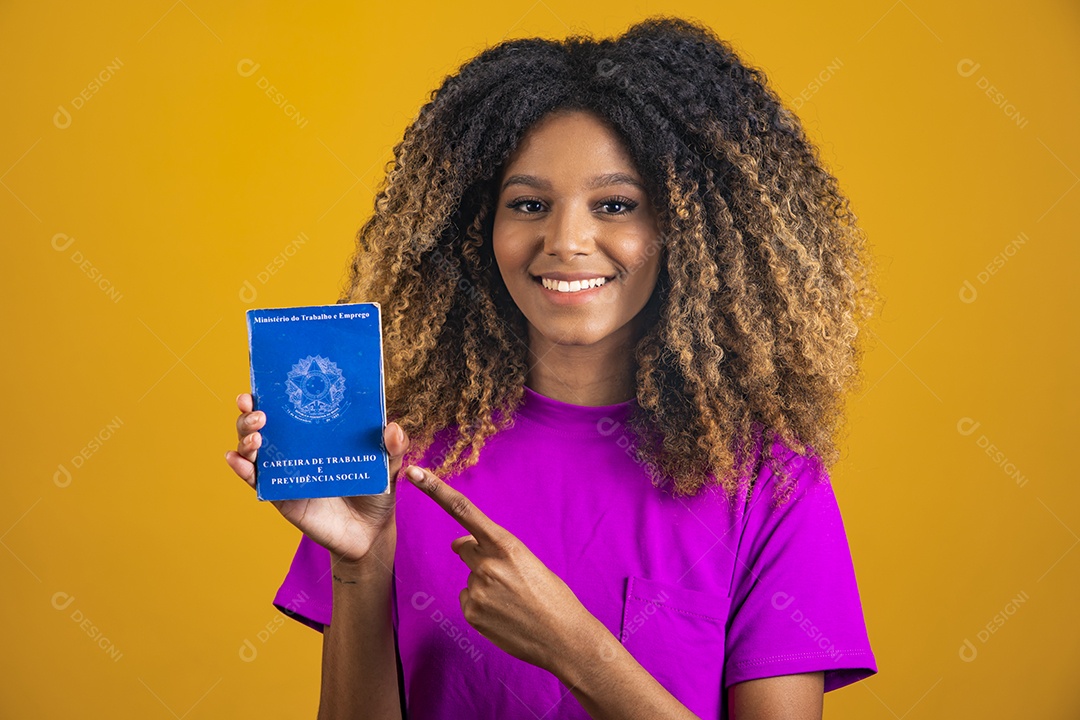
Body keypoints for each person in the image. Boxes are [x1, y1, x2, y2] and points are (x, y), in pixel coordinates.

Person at [225, 15, 880, 720]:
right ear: (479, 228)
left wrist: (575, 648)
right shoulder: (392, 459)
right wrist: (360, 570)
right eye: (529, 204)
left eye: (615, 205)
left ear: (684, 230)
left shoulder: (767, 478)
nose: (566, 240)